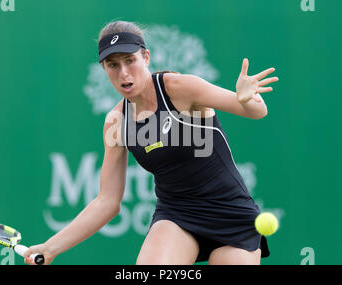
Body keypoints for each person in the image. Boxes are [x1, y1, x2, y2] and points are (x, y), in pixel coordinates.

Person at [24, 20, 279, 265]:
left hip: (230, 214)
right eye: (113, 65)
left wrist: (247, 98)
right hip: (177, 215)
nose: (123, 73)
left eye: (130, 61)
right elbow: (107, 201)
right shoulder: (116, 122)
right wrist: (50, 248)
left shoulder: (179, 88)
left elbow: (256, 111)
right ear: (104, 69)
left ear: (145, 58)